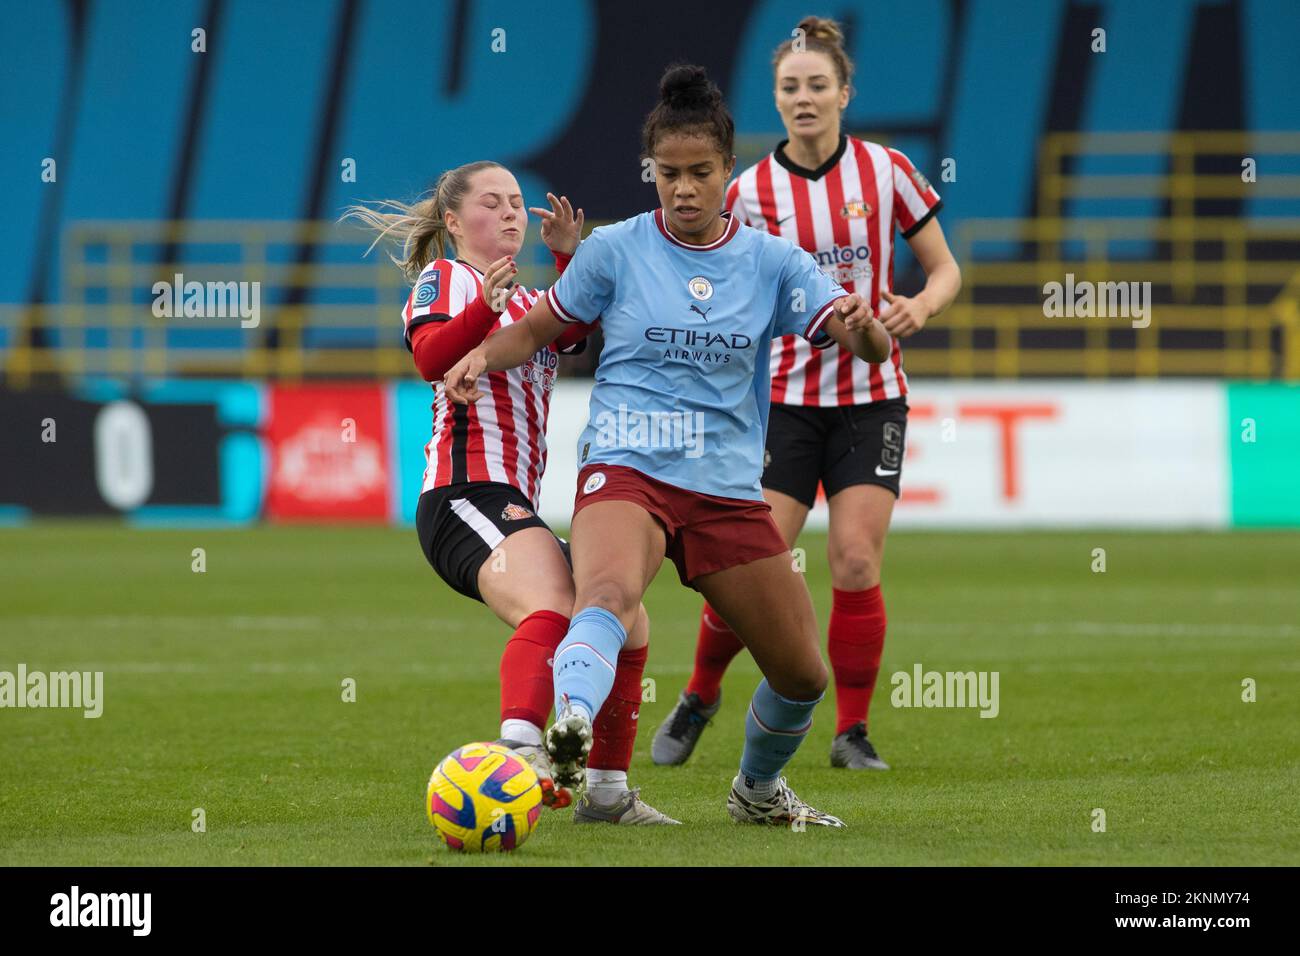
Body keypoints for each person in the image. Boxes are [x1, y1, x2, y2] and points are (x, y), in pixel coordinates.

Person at [444, 65, 892, 826]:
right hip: (627, 466)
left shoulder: (773, 262)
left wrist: (868, 328)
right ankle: (573, 726)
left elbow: (862, 342)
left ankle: (756, 793)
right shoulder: (616, 249)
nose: (683, 189)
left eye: (700, 173)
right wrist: (482, 355)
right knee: (608, 596)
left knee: (801, 673)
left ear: (728, 172)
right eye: (668, 174)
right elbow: (540, 327)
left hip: (723, 486)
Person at [652, 16, 962, 771]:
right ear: (777, 98)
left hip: (869, 396)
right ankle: (699, 695)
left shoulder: (886, 171)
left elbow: (945, 270)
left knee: (854, 560)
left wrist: (916, 308)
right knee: (753, 565)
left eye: (818, 85)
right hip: (782, 404)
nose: (804, 98)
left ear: (844, 93)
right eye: (790, 87)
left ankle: (851, 733)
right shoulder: (751, 190)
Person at [342, 161, 676, 825]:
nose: (510, 213)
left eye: (518, 203)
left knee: (628, 621)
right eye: (492, 204)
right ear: (455, 222)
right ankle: (521, 746)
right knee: (553, 604)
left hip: (508, 499)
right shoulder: (449, 279)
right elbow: (432, 356)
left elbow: (577, 334)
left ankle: (607, 793)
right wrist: (481, 310)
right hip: (464, 495)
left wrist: (565, 256)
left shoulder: (526, 301)